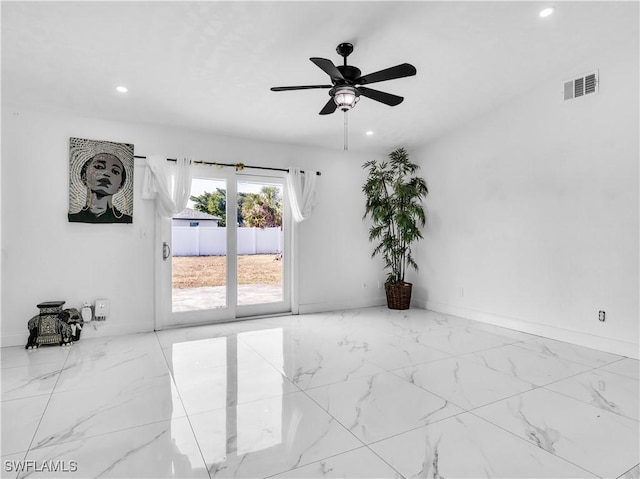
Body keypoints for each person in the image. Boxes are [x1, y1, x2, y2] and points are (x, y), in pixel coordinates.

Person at [68, 152, 133, 223]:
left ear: (120, 185)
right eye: (99, 167)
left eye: (115, 171)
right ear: (84, 176)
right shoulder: (74, 218)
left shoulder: (126, 220)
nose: (107, 173)